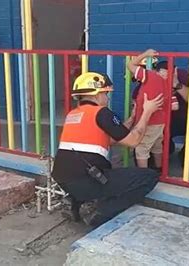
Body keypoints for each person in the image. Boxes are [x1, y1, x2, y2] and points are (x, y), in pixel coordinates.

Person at [52, 72, 163, 227]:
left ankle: (76, 202)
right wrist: (147, 112)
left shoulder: (74, 114)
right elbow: (134, 141)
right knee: (149, 177)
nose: (107, 98)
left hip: (62, 178)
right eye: (106, 93)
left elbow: (108, 140)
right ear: (97, 94)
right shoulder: (101, 113)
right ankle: (98, 212)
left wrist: (131, 120)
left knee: (94, 180)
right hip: (86, 179)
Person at [132, 61, 189, 170]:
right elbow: (136, 114)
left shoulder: (180, 76)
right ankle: (162, 157)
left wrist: (177, 85)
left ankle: (186, 155)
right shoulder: (145, 84)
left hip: (180, 119)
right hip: (158, 124)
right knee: (149, 154)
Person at [127, 49, 166, 171]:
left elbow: (130, 65)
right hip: (160, 121)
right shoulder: (163, 80)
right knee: (156, 146)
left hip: (149, 122)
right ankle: (159, 170)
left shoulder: (148, 75)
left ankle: (142, 173)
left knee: (141, 148)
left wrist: (145, 54)